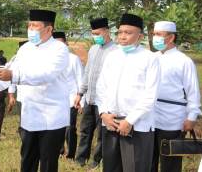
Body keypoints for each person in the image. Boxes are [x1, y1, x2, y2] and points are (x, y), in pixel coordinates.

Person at [0, 9, 71, 172]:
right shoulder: (25, 49)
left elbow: (46, 75)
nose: (30, 29)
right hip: (30, 113)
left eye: (35, 26)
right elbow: (11, 71)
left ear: (49, 29)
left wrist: (13, 75)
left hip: (52, 116)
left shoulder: (60, 49)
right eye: (29, 25)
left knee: (48, 162)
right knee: (27, 158)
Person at [97, 13, 160, 172]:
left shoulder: (149, 59)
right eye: (120, 32)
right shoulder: (112, 56)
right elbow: (101, 87)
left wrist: (130, 120)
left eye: (128, 32)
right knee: (111, 167)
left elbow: (150, 95)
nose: (122, 36)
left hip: (137, 126)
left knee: (135, 168)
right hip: (111, 122)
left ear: (140, 36)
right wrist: (103, 112)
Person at [151, 21, 202, 172]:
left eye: (159, 35)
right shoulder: (150, 58)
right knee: (148, 159)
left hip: (172, 118)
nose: (155, 38)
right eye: (154, 34)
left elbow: (193, 90)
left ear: (171, 37)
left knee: (170, 161)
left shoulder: (184, 61)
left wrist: (191, 116)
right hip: (149, 116)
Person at [74, 17, 117, 168]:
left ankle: (96, 161)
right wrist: (80, 93)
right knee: (85, 130)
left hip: (103, 101)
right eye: (93, 33)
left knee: (102, 134)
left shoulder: (116, 50)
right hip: (89, 98)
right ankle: (80, 159)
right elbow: (87, 73)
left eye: (97, 33)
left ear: (107, 31)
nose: (95, 36)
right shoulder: (93, 49)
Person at [52, 31, 84, 160]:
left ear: (66, 43)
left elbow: (80, 79)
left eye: (62, 43)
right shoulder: (51, 59)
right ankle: (59, 150)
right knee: (56, 127)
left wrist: (80, 98)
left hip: (71, 99)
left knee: (70, 128)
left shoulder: (73, 59)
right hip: (55, 100)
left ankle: (70, 154)